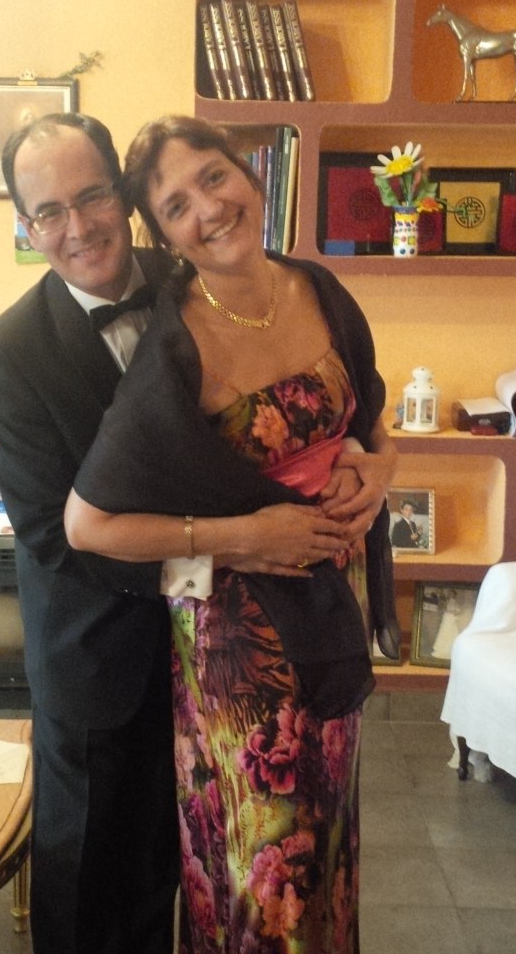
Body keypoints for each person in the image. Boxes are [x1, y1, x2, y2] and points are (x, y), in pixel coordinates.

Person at [0, 112, 360, 954]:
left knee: (203, 866)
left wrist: (365, 457)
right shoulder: (9, 350)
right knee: (92, 882)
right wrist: (231, 549)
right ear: (26, 227)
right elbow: (54, 536)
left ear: (125, 198)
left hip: (219, 660)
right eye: (50, 212)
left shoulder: (192, 277)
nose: (79, 227)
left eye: (93, 197)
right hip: (101, 657)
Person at [64, 115, 400, 953]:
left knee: (326, 840)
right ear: (164, 236)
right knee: (268, 869)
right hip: (242, 658)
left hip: (334, 611)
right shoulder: (174, 347)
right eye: (177, 206)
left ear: (249, 174)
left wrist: (379, 469)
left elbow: (372, 418)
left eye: (213, 177)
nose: (209, 209)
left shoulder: (318, 288)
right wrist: (242, 537)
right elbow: (89, 524)